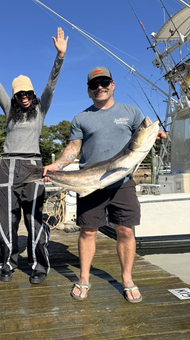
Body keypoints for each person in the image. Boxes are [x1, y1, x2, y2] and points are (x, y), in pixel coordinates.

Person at [43, 66, 167, 302]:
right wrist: (56, 166)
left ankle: (127, 279)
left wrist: (156, 134)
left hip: (123, 182)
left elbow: (143, 136)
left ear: (112, 85)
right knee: (88, 231)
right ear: (89, 91)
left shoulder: (131, 112)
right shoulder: (81, 118)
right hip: (89, 181)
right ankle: (84, 278)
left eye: (104, 82)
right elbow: (73, 149)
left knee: (125, 230)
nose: (99, 87)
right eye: (94, 85)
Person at [0, 25, 68, 284]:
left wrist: (60, 58)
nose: (24, 97)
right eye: (19, 94)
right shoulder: (8, 108)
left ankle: (38, 266)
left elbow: (52, 84)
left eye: (28, 93)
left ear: (33, 95)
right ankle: (7, 263)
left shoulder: (41, 108)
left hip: (33, 165)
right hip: (8, 166)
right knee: (6, 219)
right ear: (13, 96)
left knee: (34, 218)